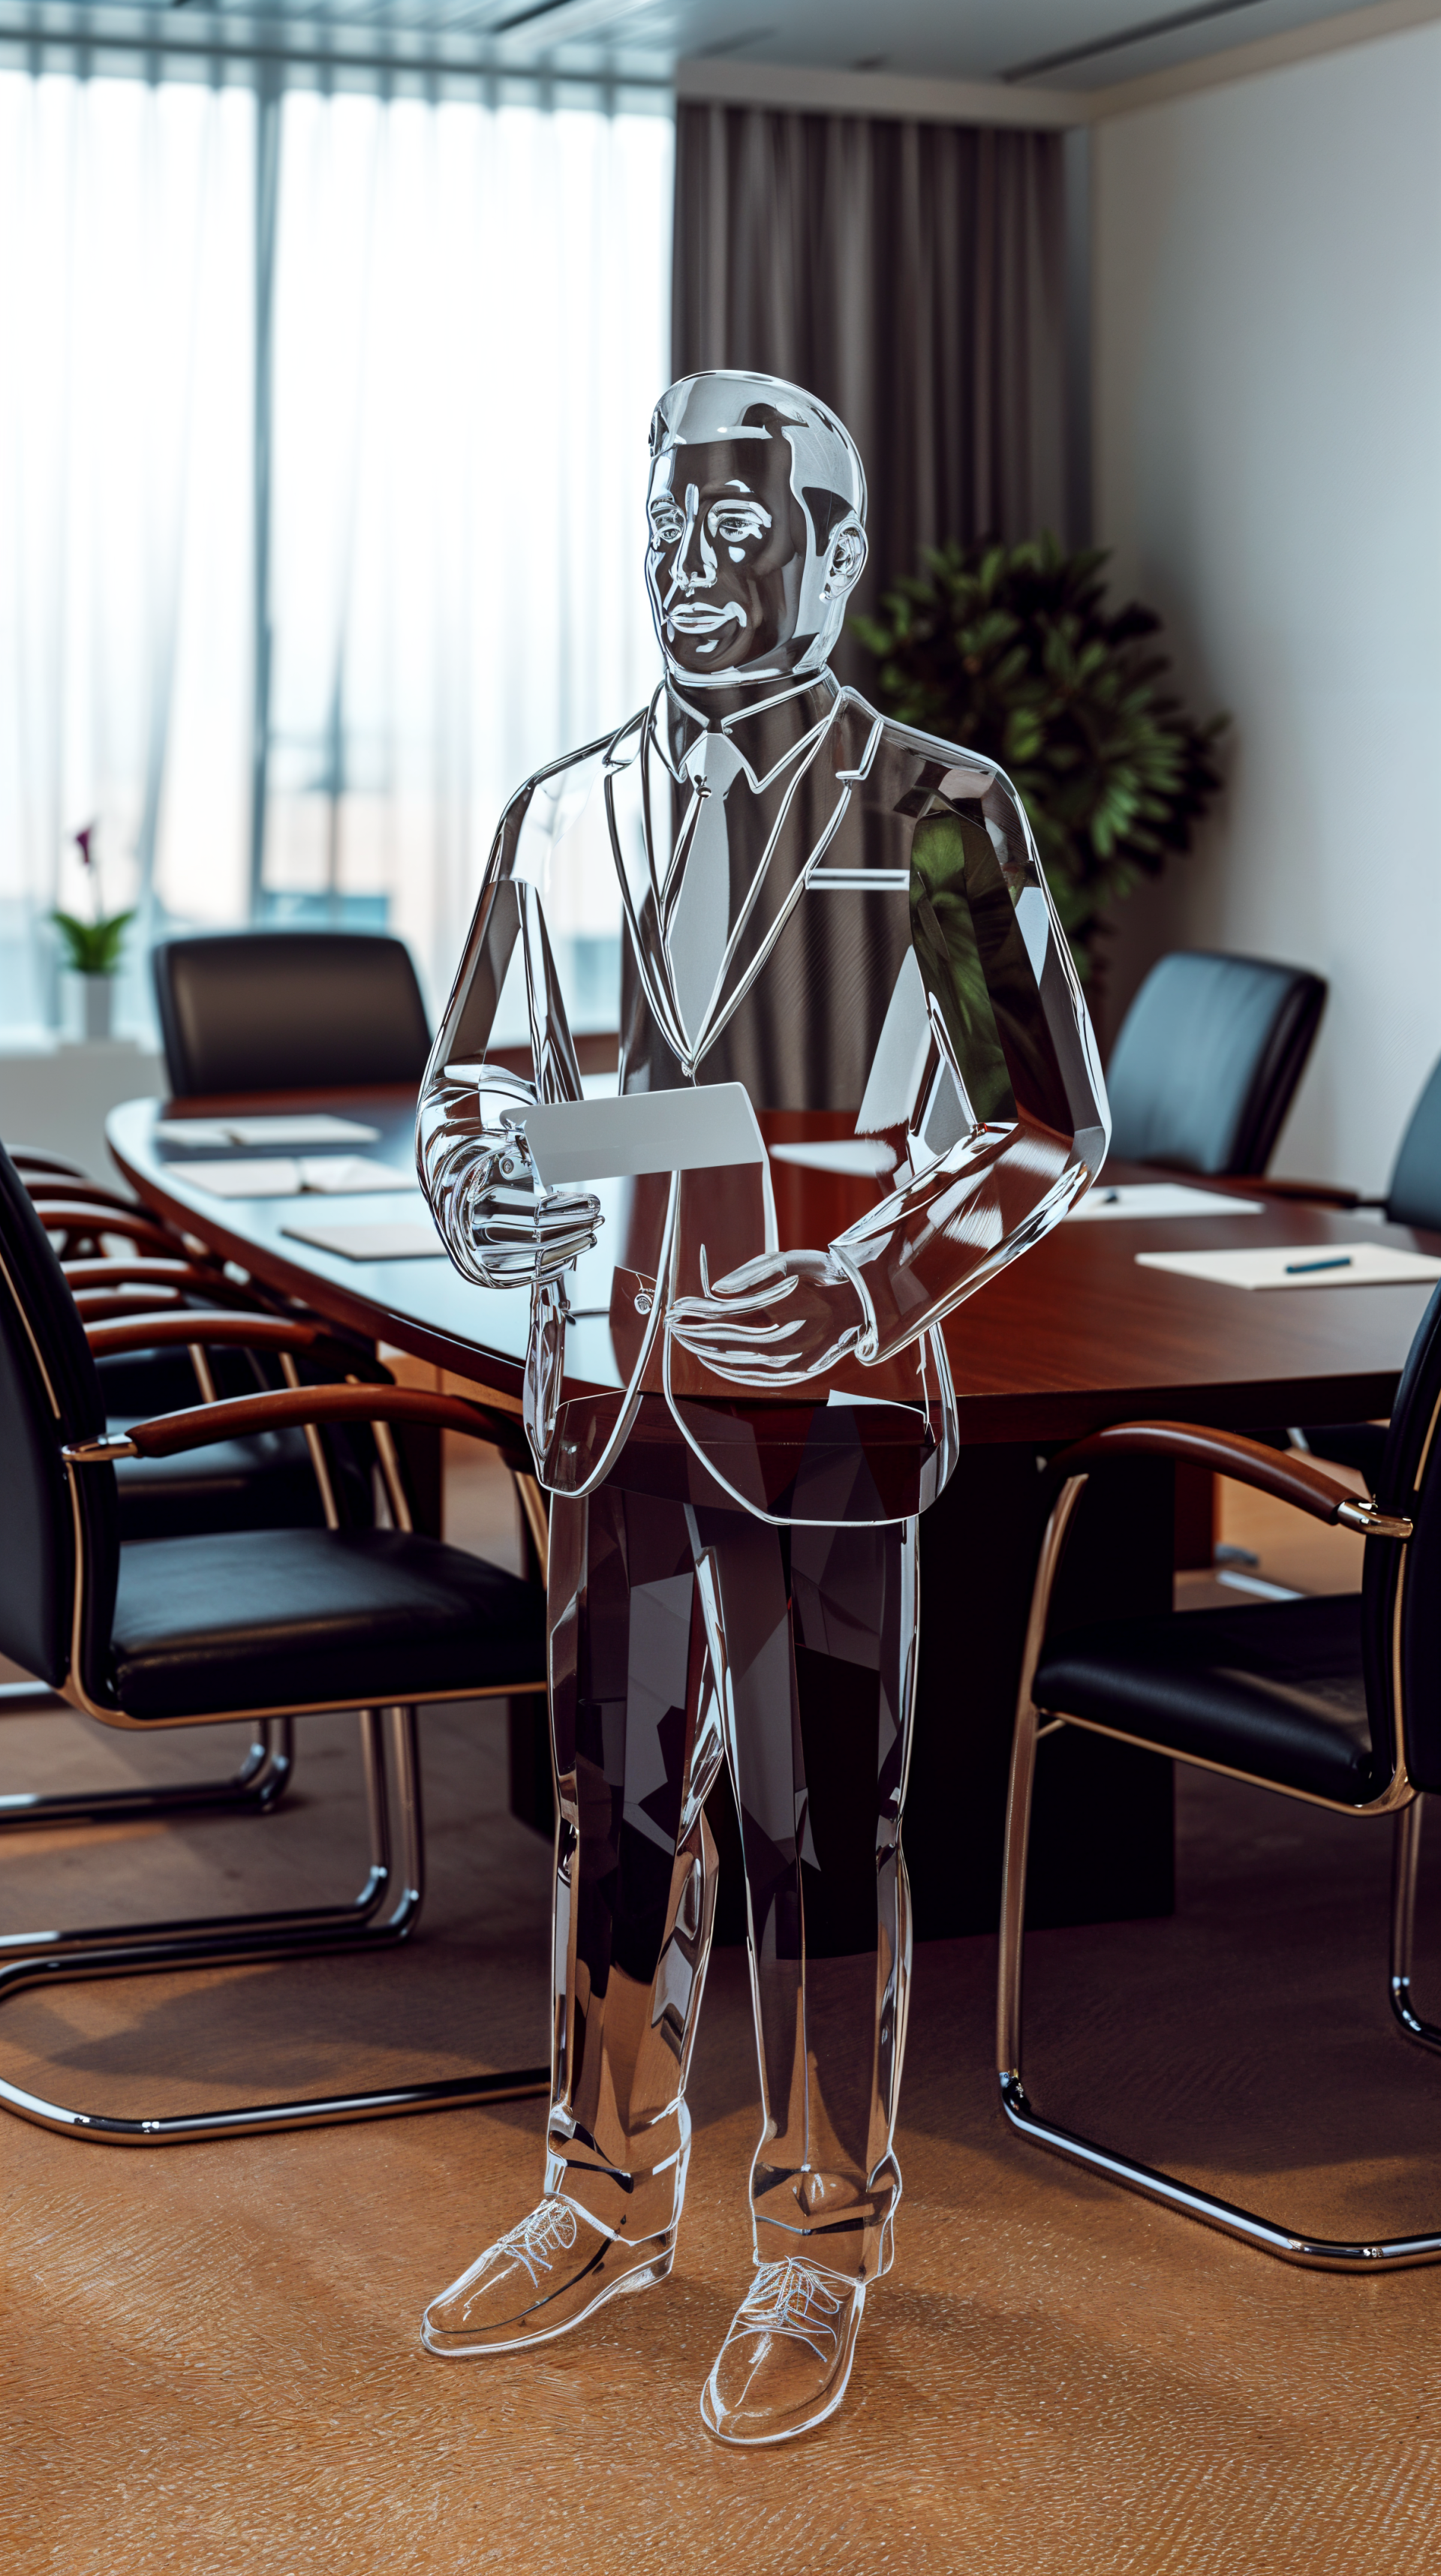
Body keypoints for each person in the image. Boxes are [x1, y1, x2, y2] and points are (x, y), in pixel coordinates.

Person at [415, 370, 1109, 2444]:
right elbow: (470, 1083)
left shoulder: (943, 809)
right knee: (608, 1824)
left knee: (824, 1833)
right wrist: (476, 1179)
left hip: (828, 1412)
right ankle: (605, 2191)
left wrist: (875, 1274)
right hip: (610, 1385)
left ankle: (817, 2244)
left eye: (739, 532)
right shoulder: (555, 810)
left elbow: (1053, 1120)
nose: (691, 567)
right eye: (666, 530)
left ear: (836, 554)